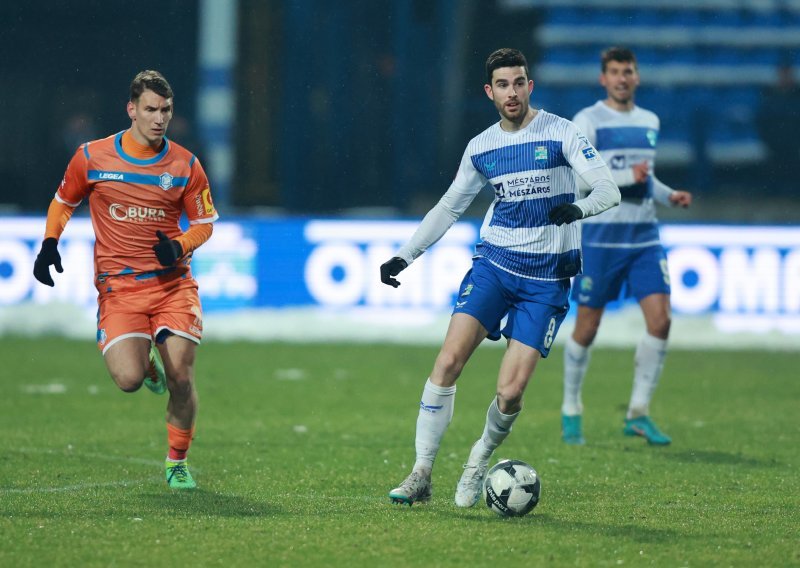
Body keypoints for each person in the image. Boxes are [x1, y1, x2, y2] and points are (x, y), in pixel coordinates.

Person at [380, 48, 620, 507]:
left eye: (520, 82)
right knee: (448, 362)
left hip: (546, 281)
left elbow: (608, 188)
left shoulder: (561, 132)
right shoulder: (482, 147)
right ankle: (421, 472)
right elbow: (450, 206)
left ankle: (478, 460)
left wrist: (579, 207)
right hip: (495, 266)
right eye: (503, 85)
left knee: (509, 393)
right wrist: (405, 256)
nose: (513, 92)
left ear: (530, 85)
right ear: (490, 93)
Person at [32, 70, 218, 489]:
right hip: (120, 290)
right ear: (131, 109)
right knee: (129, 380)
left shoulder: (185, 164)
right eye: (150, 109)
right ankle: (144, 365)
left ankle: (177, 461)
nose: (159, 118)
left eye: (166, 110)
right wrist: (48, 244)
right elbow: (63, 202)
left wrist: (180, 246)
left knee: (183, 376)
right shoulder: (92, 157)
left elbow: (205, 222)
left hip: (173, 287)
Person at [560, 47, 692, 447]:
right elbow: (583, 181)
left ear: (636, 77)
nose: (621, 78)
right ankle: (570, 410)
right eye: (614, 72)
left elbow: (644, 179)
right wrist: (622, 173)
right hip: (601, 239)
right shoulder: (588, 121)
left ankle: (637, 413)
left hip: (644, 238)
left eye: (627, 71)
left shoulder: (649, 121)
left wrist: (669, 197)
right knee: (587, 327)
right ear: (603, 79)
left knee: (662, 321)